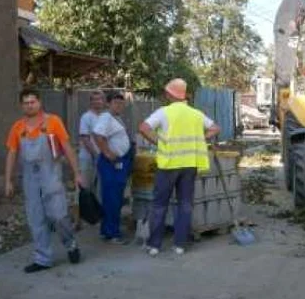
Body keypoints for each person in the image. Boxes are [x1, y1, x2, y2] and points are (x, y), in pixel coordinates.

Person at [4, 89, 84, 273]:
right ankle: (43, 258)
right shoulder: (17, 127)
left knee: (58, 215)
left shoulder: (53, 122)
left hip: (51, 175)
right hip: (30, 178)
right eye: (26, 103)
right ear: (21, 105)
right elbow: (12, 153)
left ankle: (70, 244)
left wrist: (76, 173)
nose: (29, 105)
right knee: (35, 218)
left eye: (32, 102)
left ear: (39, 103)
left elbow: (67, 147)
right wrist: (8, 180)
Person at [138, 79, 220, 256]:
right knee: (185, 204)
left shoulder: (164, 112)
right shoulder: (196, 114)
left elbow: (143, 128)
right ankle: (180, 245)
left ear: (170, 95)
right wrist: (201, 139)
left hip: (168, 165)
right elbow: (215, 128)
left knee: (160, 205)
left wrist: (158, 142)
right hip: (189, 165)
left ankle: (154, 246)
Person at [93, 92, 134, 244]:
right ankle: (113, 233)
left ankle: (107, 230)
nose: (119, 106)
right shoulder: (105, 117)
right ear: (108, 104)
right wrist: (107, 152)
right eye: (116, 103)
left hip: (120, 162)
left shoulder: (115, 118)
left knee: (114, 197)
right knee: (113, 198)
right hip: (112, 163)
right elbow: (98, 135)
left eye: (121, 103)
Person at [76, 91, 105, 226]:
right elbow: (85, 138)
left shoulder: (105, 117)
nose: (97, 102)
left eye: (100, 100)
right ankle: (79, 220)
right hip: (88, 158)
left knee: (98, 189)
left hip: (102, 158)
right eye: (95, 100)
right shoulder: (86, 117)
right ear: (91, 102)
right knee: (84, 188)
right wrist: (95, 155)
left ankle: (94, 216)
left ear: (103, 101)